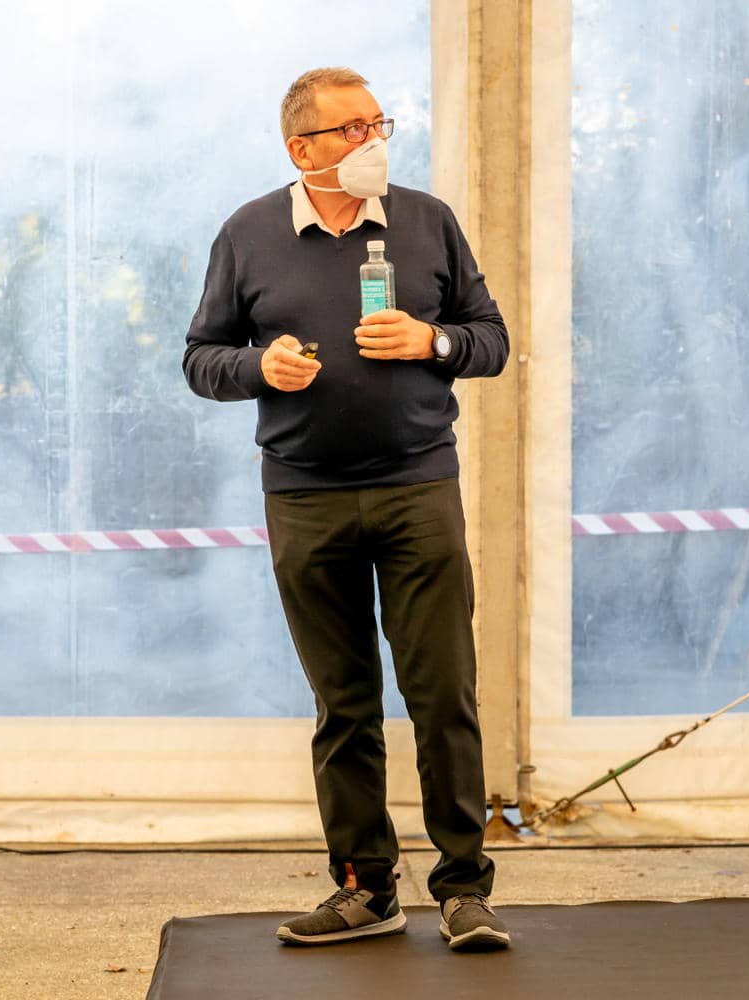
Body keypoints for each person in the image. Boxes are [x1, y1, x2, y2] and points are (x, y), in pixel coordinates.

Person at [181, 66, 511, 952]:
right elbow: (202, 358)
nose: (375, 142)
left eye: (380, 124)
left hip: (418, 489)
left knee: (444, 695)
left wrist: (432, 340)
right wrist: (259, 367)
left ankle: (464, 890)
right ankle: (366, 890)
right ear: (302, 149)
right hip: (303, 498)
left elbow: (491, 340)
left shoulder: (427, 221)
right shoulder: (248, 234)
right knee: (344, 704)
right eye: (353, 129)